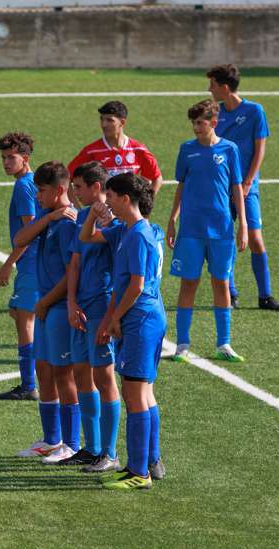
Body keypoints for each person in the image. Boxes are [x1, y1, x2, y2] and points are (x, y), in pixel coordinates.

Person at [80, 172, 167, 490]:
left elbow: (136, 285)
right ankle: (150, 462)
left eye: (112, 197)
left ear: (126, 199)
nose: (108, 202)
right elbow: (88, 239)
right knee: (144, 393)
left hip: (140, 319)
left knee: (134, 395)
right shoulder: (129, 230)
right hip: (144, 317)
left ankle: (139, 472)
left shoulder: (137, 235)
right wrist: (94, 214)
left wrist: (114, 318)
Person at [167, 100, 248, 363]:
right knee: (188, 283)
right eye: (193, 123)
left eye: (200, 123)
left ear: (213, 122)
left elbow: (236, 188)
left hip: (221, 229)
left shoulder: (230, 149)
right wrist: (172, 219)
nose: (196, 127)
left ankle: (224, 343)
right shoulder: (186, 150)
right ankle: (182, 344)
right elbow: (181, 186)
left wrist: (243, 224)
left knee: (221, 283)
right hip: (191, 229)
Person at [12, 162, 80, 464]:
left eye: (41, 191)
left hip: (59, 307)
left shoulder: (68, 224)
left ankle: (72, 443)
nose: (37, 196)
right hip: (45, 306)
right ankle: (52, 439)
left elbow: (72, 273)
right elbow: (20, 239)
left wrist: (46, 301)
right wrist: (49, 216)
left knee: (64, 374)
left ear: (59, 190)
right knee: (43, 369)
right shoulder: (50, 216)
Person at [207, 64, 279, 311]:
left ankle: (265, 296)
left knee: (255, 239)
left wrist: (248, 182)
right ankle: (230, 293)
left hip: (247, 187)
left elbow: (260, 149)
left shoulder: (254, 111)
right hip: (222, 186)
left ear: (225, 87)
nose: (209, 90)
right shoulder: (215, 115)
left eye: (212, 85)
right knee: (225, 238)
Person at [58, 161, 122, 471]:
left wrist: (111, 317)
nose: (75, 192)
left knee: (104, 377)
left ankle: (110, 453)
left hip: (101, 307)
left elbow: (123, 271)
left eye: (79, 187)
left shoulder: (116, 221)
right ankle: (92, 447)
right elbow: (75, 263)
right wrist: (70, 302)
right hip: (80, 307)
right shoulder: (83, 217)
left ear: (97, 187)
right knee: (82, 373)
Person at [0, 132, 41, 401]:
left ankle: (28, 385)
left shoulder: (23, 186)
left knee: (25, 322)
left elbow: (29, 231)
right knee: (18, 313)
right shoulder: (35, 182)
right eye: (3, 158)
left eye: (10, 158)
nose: (5, 163)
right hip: (36, 263)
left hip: (31, 263)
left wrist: (7, 264)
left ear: (24, 158)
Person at [67, 100, 163, 201]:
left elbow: (157, 178)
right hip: (102, 210)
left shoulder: (138, 149)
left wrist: (145, 204)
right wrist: (76, 207)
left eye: (109, 120)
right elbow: (66, 178)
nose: (104, 124)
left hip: (128, 210)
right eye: (102, 119)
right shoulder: (92, 151)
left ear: (122, 122)